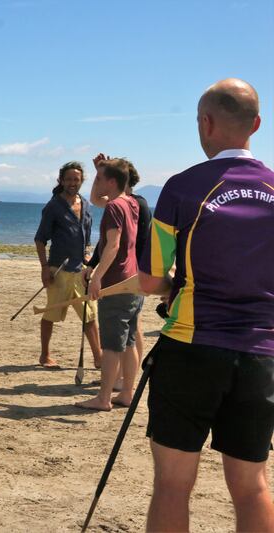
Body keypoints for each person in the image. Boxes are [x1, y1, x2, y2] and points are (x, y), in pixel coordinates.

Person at [140, 78, 274, 531]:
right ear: (256, 124)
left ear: (205, 123)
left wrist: (176, 284)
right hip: (261, 354)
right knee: (252, 484)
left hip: (191, 347)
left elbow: (151, 280)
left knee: (174, 484)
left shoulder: (181, 188)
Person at [76, 158, 141, 411]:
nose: (96, 183)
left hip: (116, 283)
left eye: (101, 178)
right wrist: (99, 171)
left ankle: (103, 399)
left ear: (112, 182)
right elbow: (95, 198)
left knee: (112, 344)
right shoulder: (131, 202)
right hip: (132, 282)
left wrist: (97, 276)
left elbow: (112, 246)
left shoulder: (115, 206)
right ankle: (127, 393)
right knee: (129, 342)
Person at [34, 161, 101, 369]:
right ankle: (45, 355)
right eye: (69, 179)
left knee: (89, 316)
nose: (73, 183)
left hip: (81, 270)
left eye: (77, 179)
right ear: (61, 181)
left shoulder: (86, 204)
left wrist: (88, 255)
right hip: (58, 270)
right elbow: (40, 240)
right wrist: (45, 268)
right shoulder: (53, 206)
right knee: (51, 313)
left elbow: (87, 236)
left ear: (82, 181)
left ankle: (99, 358)